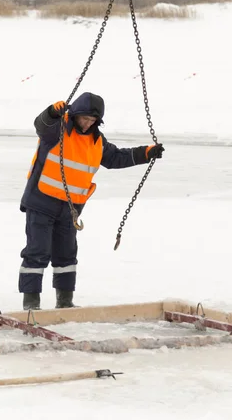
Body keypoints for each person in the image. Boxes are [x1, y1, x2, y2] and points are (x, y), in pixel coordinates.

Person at [19, 91, 164, 310]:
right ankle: (31, 304)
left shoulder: (97, 140)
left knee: (67, 255)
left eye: (92, 120)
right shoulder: (57, 129)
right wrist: (51, 112)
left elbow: (116, 157)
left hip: (70, 209)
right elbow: (41, 124)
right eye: (84, 118)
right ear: (75, 114)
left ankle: (65, 302)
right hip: (42, 202)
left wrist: (146, 153)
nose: (87, 124)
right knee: (37, 253)